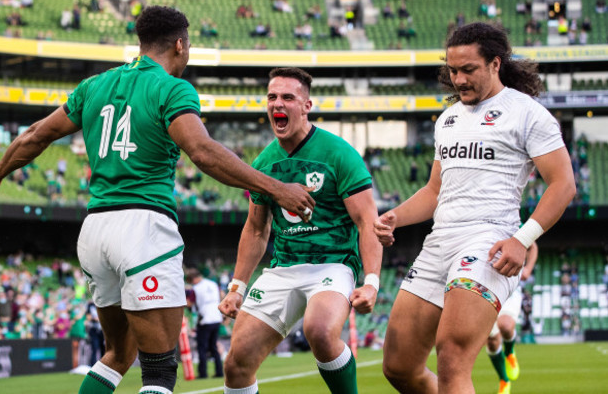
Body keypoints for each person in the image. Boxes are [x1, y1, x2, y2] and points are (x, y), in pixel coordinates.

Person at [0, 6, 315, 394]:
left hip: (94, 232)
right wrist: (277, 187)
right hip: (143, 230)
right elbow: (202, 151)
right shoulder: (172, 88)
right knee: (158, 370)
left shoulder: (94, 86)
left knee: (117, 355)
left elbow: (36, 134)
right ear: (180, 45)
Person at [373, 22, 576, 394]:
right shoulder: (448, 119)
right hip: (439, 244)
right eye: (453, 71)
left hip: (490, 243)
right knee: (399, 367)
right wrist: (395, 217)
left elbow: (564, 185)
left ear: (495, 64)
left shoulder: (527, 113)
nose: (459, 80)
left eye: (468, 70)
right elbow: (435, 191)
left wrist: (522, 238)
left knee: (451, 356)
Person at [219, 67, 383, 394]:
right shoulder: (264, 163)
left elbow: (368, 221)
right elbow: (255, 230)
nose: (277, 104)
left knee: (320, 330)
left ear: (306, 106)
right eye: (272, 97)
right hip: (282, 268)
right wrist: (237, 286)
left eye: (288, 98)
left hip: (332, 264)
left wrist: (372, 282)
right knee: (236, 364)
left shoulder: (338, 154)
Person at [486, 241, 538, 394]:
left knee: (506, 326)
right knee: (492, 340)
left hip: (509, 283)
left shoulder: (510, 218)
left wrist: (528, 269)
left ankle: (509, 352)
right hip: (483, 285)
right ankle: (504, 380)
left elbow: (533, 245)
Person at [187, 268, 224, 379]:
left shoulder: (196, 288)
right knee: (213, 346)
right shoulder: (213, 284)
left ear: (194, 279)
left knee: (202, 347)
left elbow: (189, 303)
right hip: (216, 318)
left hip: (205, 320)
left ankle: (203, 373)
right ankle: (219, 372)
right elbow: (222, 295)